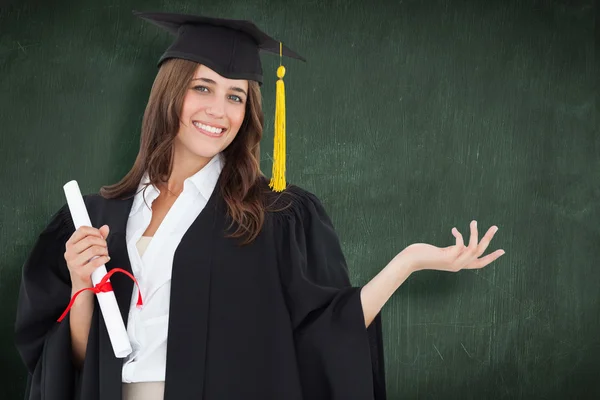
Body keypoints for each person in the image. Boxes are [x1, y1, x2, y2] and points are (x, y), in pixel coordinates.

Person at [14, 10, 505, 400]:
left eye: (236, 96)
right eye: (202, 87)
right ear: (169, 93)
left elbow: (323, 335)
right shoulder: (99, 216)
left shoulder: (273, 216)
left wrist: (408, 262)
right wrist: (82, 284)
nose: (219, 111)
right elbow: (71, 365)